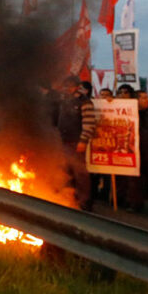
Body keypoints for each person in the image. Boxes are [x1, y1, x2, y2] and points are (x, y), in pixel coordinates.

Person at [54, 76, 95, 212]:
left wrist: (83, 141)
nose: (67, 89)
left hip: (76, 142)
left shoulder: (84, 102)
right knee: (65, 172)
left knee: (80, 173)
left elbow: (89, 124)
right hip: (63, 141)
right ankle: (69, 199)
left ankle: (84, 202)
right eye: (66, 86)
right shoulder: (64, 101)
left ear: (77, 87)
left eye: (69, 86)